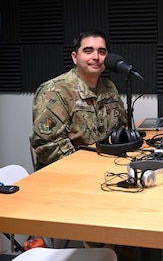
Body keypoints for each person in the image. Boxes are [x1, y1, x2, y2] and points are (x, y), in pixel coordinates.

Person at [30, 30, 128, 169]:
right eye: (88, 51)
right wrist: (90, 167)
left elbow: (121, 128)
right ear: (75, 57)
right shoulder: (55, 91)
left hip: (105, 168)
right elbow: (47, 146)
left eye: (102, 52)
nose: (96, 57)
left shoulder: (109, 87)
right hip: (68, 174)